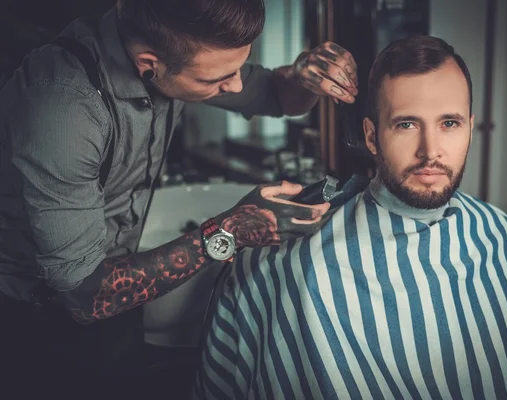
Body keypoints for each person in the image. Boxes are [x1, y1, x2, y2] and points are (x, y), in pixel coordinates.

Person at [197, 36, 507, 399]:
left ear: (470, 130)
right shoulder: (299, 266)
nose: (431, 151)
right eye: (406, 124)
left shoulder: (501, 235)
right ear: (372, 136)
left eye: (449, 124)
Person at [0, 0, 358, 387]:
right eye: (216, 80)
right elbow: (84, 297)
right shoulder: (63, 107)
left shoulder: (180, 49)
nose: (235, 85)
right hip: (35, 319)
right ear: (148, 64)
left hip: (118, 289)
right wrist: (228, 232)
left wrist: (302, 77)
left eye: (238, 68)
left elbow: (275, 95)